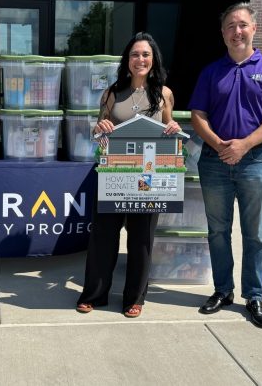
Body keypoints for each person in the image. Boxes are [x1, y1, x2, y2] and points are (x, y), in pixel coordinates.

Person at [188, 2, 262, 329]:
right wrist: (219, 145)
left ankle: (254, 295)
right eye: (231, 26)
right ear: (223, 34)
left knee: (255, 233)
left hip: (256, 161)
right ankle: (223, 290)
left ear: (254, 29)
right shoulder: (211, 72)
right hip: (215, 161)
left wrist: (244, 144)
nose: (237, 31)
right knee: (218, 231)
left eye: (243, 25)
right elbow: (198, 115)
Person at [76, 31, 180, 317]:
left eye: (146, 54)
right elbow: (97, 132)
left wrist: (172, 129)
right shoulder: (111, 93)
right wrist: (100, 128)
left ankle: (135, 298)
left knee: (141, 238)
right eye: (135, 54)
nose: (140, 59)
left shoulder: (164, 94)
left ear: (153, 59)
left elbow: (169, 128)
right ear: (127, 60)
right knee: (104, 236)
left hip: (148, 176)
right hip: (115, 173)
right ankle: (94, 294)